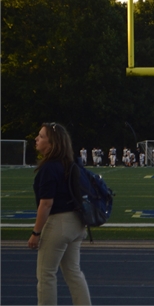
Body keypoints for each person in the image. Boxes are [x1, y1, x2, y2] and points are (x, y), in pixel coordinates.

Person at [28, 122, 92, 305]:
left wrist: (36, 232)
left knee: (46, 274)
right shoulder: (71, 164)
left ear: (52, 142)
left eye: (41, 136)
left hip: (58, 223)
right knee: (73, 273)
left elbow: (46, 203)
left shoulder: (49, 168)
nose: (36, 139)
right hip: (77, 222)